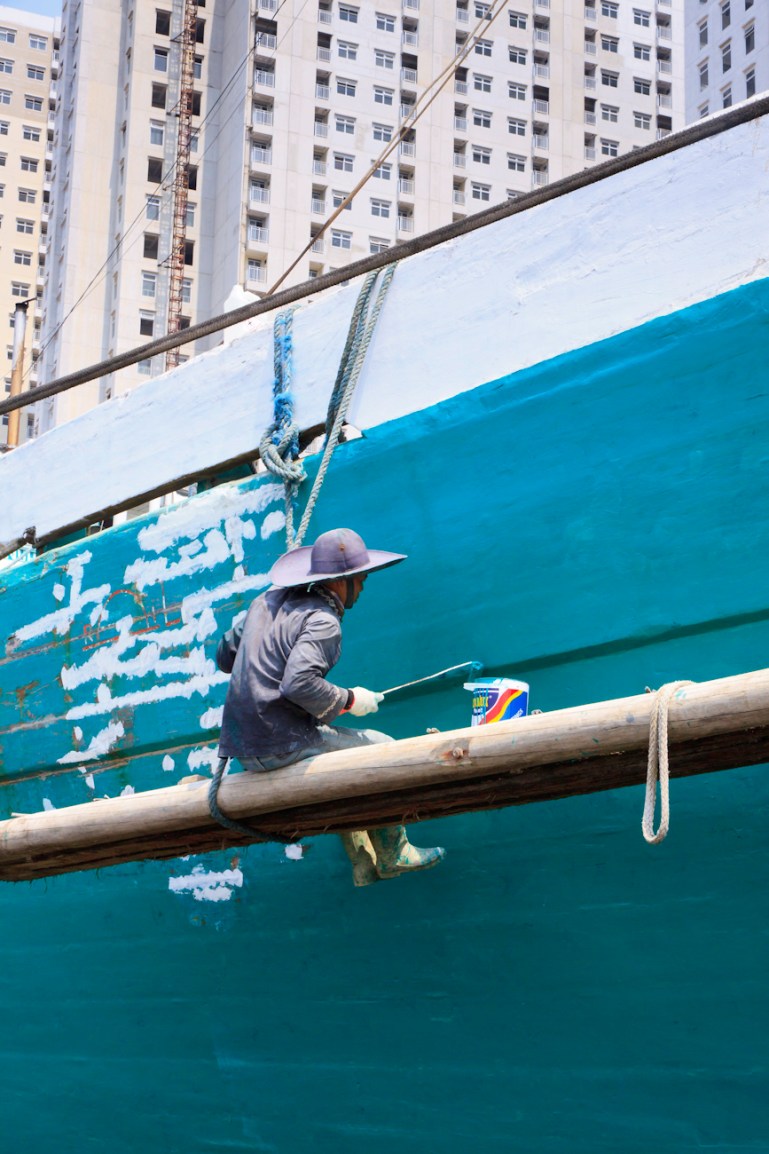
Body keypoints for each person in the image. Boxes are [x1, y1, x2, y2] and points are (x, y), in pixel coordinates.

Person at [216, 527, 446, 886]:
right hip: (280, 744)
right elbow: (298, 684)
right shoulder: (324, 621)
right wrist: (351, 699)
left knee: (337, 758)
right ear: (342, 581)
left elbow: (224, 656)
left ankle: (363, 862)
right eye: (362, 579)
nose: (364, 588)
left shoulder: (264, 603)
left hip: (244, 749)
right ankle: (394, 853)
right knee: (382, 747)